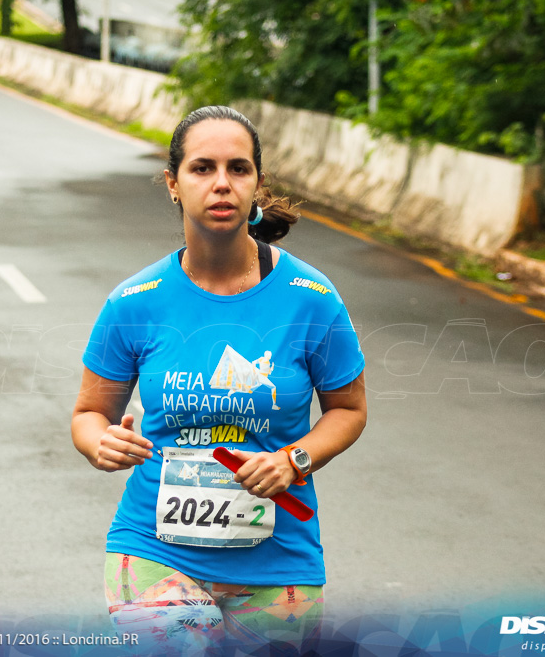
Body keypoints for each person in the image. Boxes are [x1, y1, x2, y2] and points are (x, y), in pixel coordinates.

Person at [71, 105, 368, 655]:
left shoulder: (312, 298)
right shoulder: (135, 302)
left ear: (257, 183)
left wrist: (293, 459)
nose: (222, 184)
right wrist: (100, 442)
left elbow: (349, 410)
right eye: (202, 168)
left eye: (238, 169)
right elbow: (89, 415)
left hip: (280, 558)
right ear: (173, 184)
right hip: (153, 551)